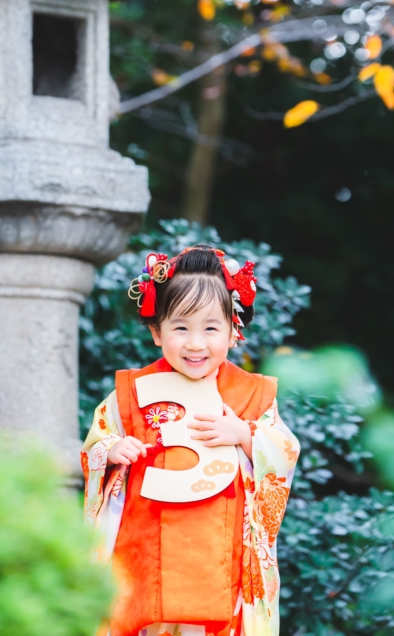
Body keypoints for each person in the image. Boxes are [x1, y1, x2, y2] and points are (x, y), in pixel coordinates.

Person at [82, 244, 300, 636]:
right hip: (145, 540)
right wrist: (112, 450)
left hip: (221, 543)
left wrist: (247, 435)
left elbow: (285, 449)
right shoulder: (131, 393)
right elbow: (95, 444)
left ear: (234, 331)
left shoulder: (252, 395)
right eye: (181, 327)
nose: (196, 343)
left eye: (211, 328)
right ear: (156, 331)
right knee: (143, 612)